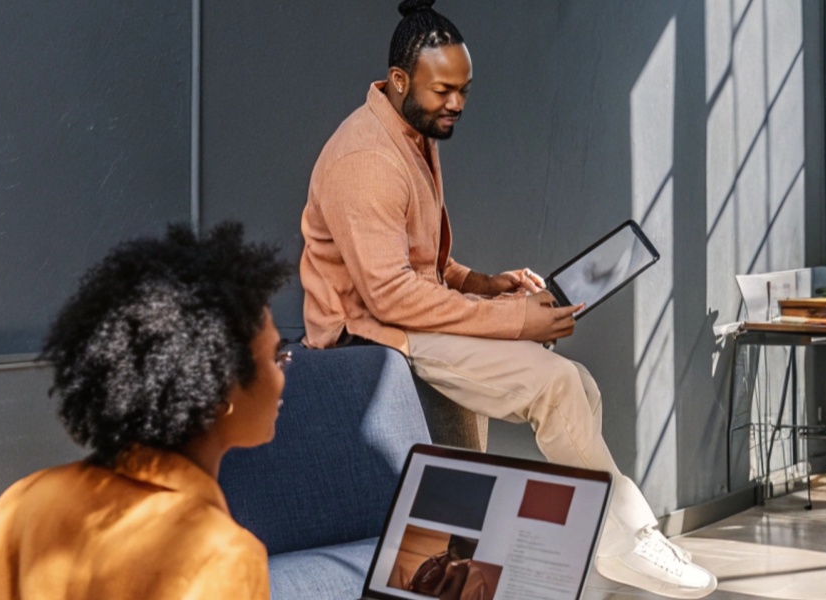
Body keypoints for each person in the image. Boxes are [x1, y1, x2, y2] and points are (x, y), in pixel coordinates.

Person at [296, 0, 717, 596]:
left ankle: (613, 541)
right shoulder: (367, 159)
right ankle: (626, 542)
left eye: (463, 89)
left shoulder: (410, 134)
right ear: (398, 80)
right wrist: (513, 318)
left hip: (405, 316)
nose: (458, 104)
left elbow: (424, 265)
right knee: (557, 384)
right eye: (444, 90)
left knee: (579, 386)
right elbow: (389, 294)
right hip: (366, 333)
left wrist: (481, 283)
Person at [0, 222, 294, 600]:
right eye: (277, 357)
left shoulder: (24, 501)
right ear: (218, 390)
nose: (283, 374)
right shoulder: (222, 556)